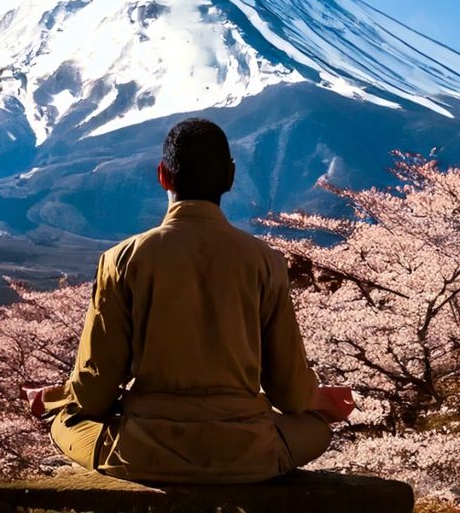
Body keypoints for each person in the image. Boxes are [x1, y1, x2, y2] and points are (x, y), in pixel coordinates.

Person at [27, 118, 354, 482]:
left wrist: (56, 398)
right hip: (248, 452)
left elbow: (93, 396)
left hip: (143, 451)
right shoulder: (266, 261)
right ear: (230, 178)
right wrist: (319, 400)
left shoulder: (121, 259)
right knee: (317, 425)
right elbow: (290, 396)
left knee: (67, 418)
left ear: (163, 175)